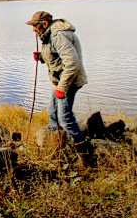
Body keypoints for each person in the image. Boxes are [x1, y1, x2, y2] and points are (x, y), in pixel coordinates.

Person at [26, 11, 95, 166]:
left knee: (65, 118)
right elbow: (55, 56)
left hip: (68, 81)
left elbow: (72, 63)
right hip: (61, 81)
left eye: (34, 26)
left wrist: (62, 88)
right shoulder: (49, 34)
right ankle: (57, 146)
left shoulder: (58, 35)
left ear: (44, 24)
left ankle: (87, 156)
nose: (33, 30)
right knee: (52, 113)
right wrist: (41, 57)